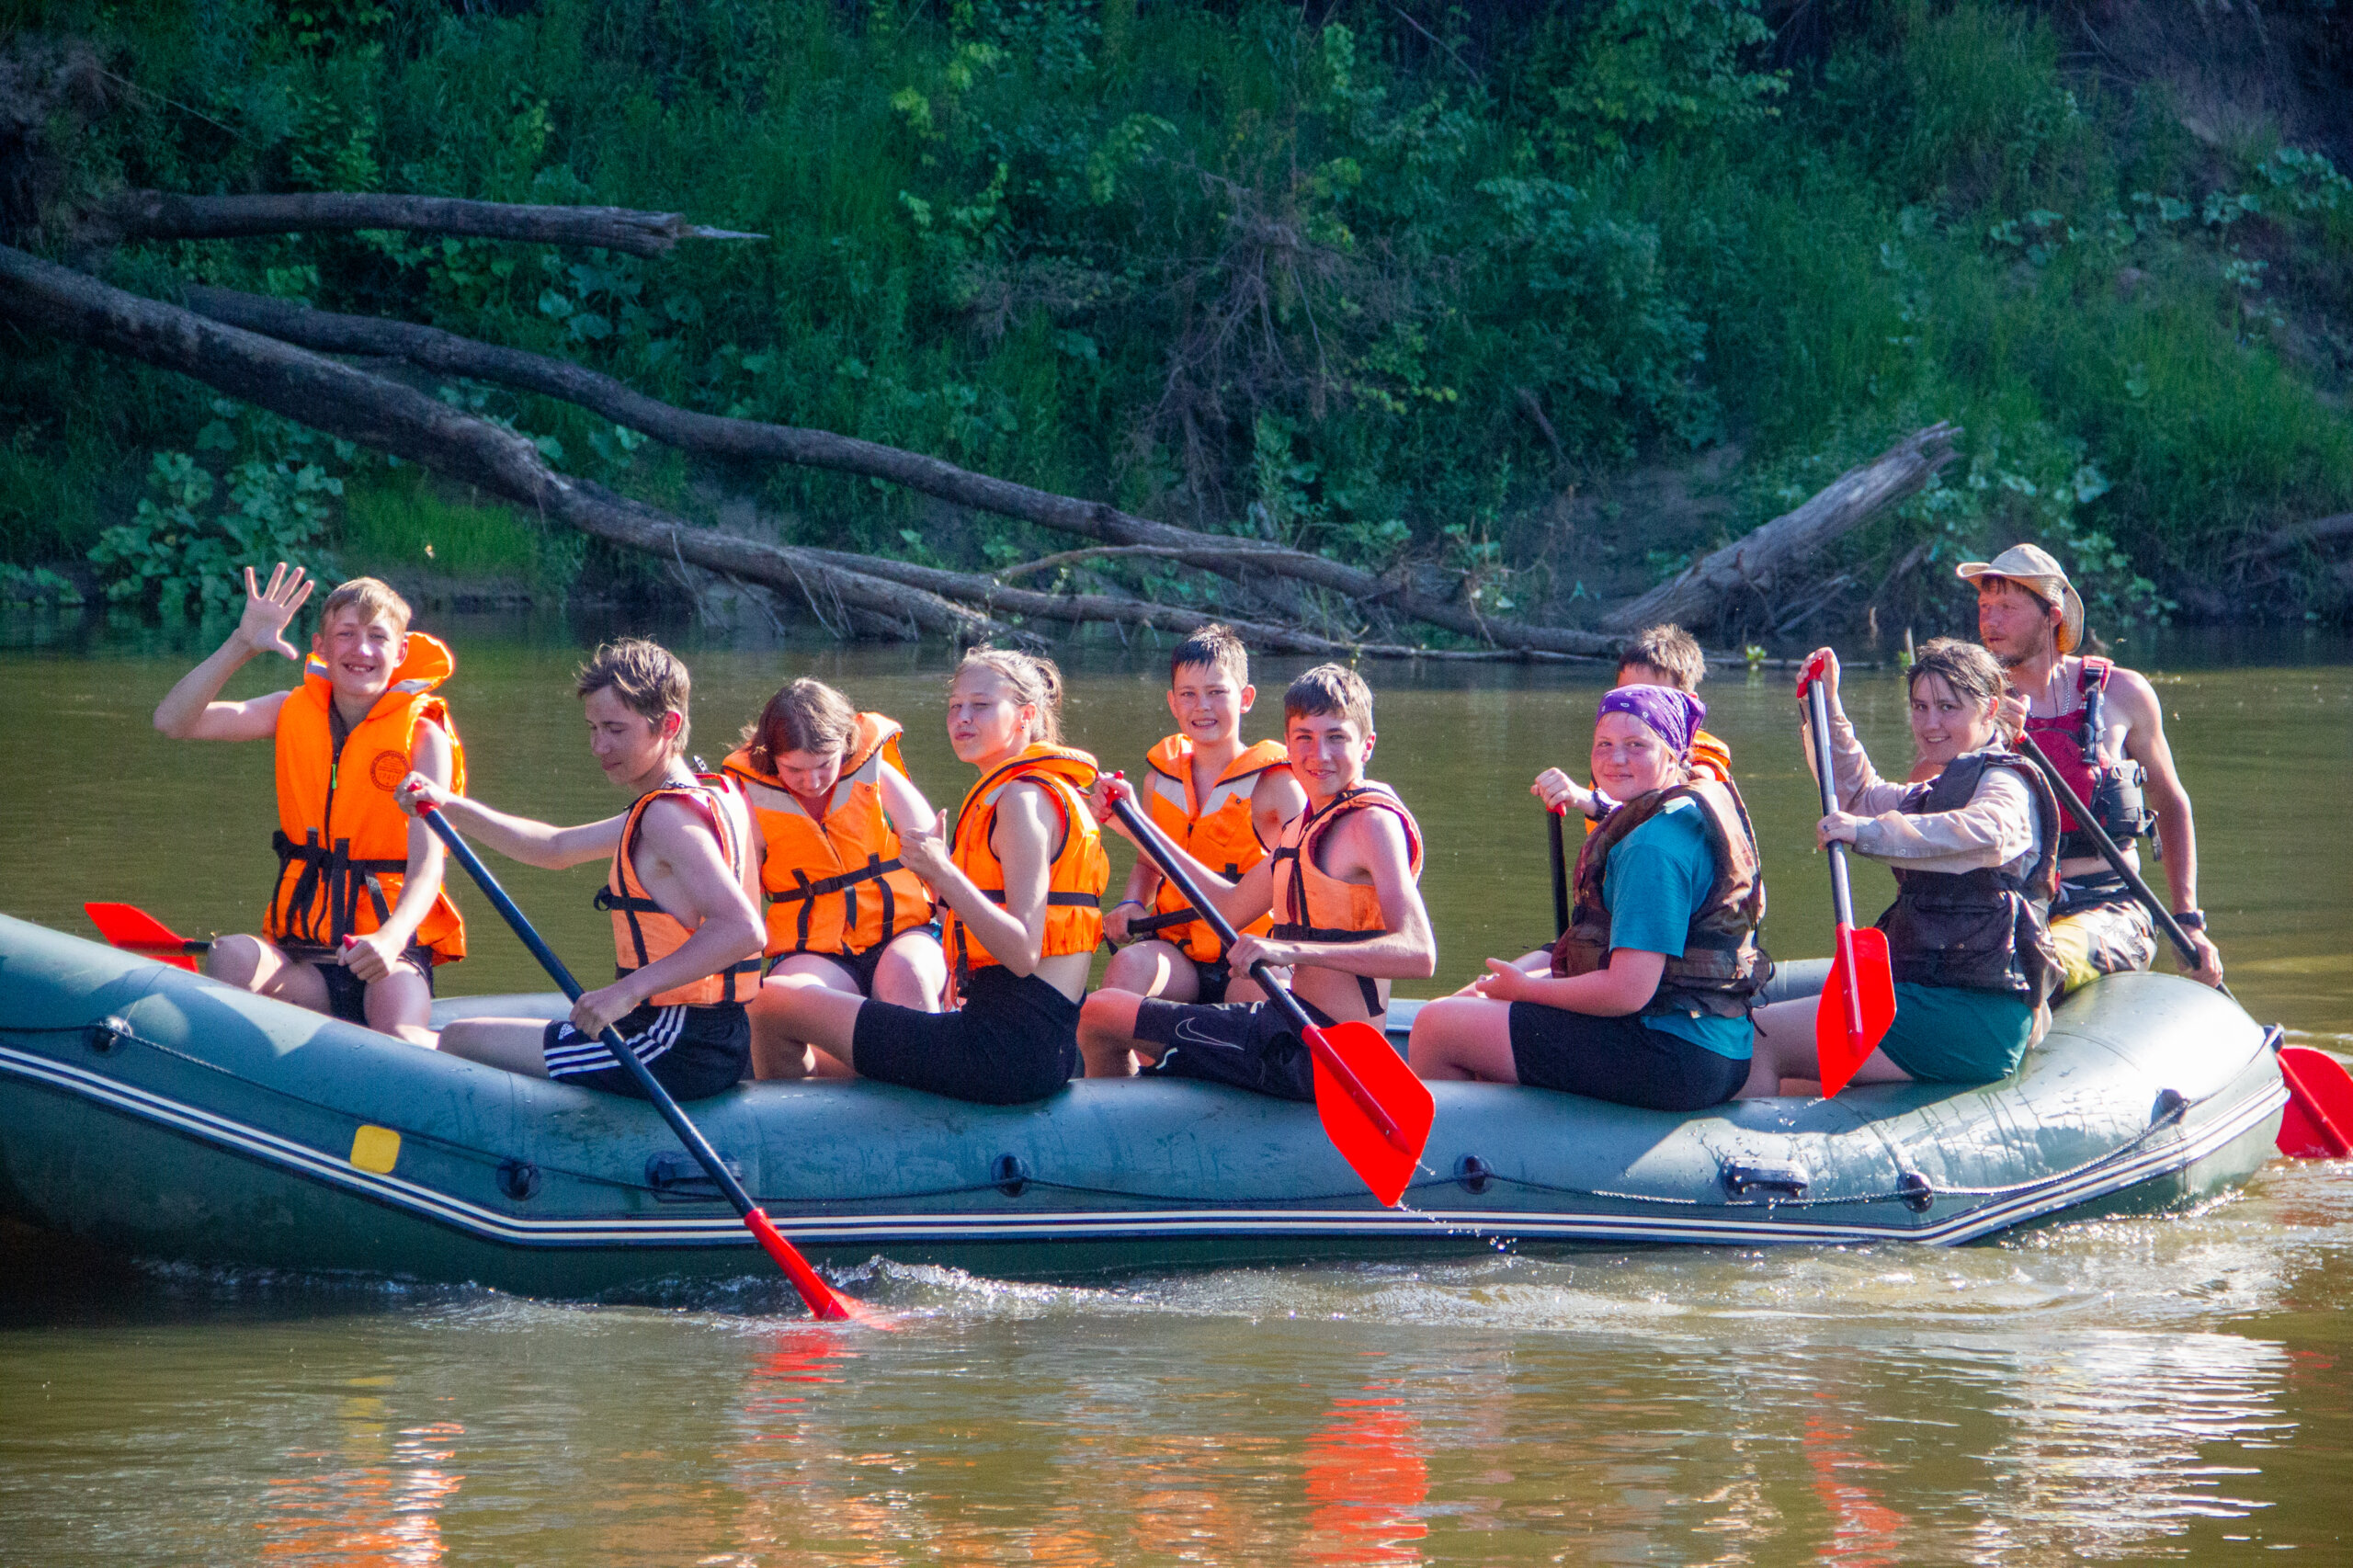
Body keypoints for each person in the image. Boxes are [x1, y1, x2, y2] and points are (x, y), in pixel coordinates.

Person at [395, 640, 766, 1101]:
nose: (598, 746)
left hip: (672, 1045)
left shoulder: (668, 817)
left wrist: (625, 992)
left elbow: (743, 930)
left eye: (614, 729)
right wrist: (448, 804)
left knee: (455, 1040)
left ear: (668, 725)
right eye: (592, 728)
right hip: (712, 1038)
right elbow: (556, 847)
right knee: (462, 1034)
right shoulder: (700, 795)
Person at [751, 649, 1107, 1106]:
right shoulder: (1036, 790)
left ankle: (795, 1153)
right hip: (1030, 1048)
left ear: (1026, 716)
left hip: (1000, 1055)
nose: (962, 718)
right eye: (955, 705)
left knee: (770, 1003)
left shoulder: (1022, 801)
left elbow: (1022, 952)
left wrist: (942, 872)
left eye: (980, 705)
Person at [1078, 664, 1436, 1099]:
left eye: (1336, 737)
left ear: (1367, 746)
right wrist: (1136, 827)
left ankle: (1119, 1145)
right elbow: (1226, 908)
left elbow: (1420, 954)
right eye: (1304, 737)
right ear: (1287, 744)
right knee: (1103, 1010)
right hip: (1284, 1032)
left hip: (1325, 1054)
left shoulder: (1372, 824)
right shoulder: (1300, 829)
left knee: (1098, 1017)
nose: (1318, 754)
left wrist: (1287, 949)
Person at [1409, 686, 1767, 1110]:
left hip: (1674, 1057)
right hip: (1718, 1045)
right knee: (1478, 1002)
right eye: (1605, 745)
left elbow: (1627, 991)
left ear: (1673, 753)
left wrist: (1525, 991)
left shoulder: (1652, 846)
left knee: (1436, 1027)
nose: (1616, 760)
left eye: (1636, 745)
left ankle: (1472, 1162)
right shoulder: (1685, 808)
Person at [151, 563, 464, 1046]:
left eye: (378, 637)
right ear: (320, 646)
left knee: (400, 1035)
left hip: (388, 955)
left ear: (400, 652)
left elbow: (427, 868)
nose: (361, 650)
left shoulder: (424, 738)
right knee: (230, 955)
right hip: (304, 957)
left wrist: (391, 938)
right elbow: (173, 721)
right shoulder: (289, 710)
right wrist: (241, 643)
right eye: (346, 634)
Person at [1738, 640, 2063, 1097]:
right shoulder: (1941, 786)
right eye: (1921, 707)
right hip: (1940, 998)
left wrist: (1867, 833)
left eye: (1948, 707)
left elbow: (1987, 835)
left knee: (1756, 1040)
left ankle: (1752, 1163)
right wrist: (1826, 705)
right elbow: (1856, 796)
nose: (1931, 723)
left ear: (1990, 709)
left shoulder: (2005, 780)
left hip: (1974, 1014)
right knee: (1791, 1072)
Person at [1963, 543, 2223, 990]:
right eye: (1985, 607)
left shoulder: (2125, 693)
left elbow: (2170, 801)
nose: (1990, 620)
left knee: (2031, 963)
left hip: (2112, 908)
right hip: (2009, 904)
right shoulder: (1969, 703)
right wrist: (1979, 736)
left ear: (2053, 615)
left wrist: (2188, 919)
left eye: (2006, 606)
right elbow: (1920, 800)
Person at [721, 679, 948, 1078]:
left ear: (846, 743)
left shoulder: (876, 773)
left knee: (906, 975)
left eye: (825, 763)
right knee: (778, 998)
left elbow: (942, 871)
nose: (812, 781)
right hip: (814, 950)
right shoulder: (748, 798)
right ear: (769, 756)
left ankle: (925, 1105)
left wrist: (970, 967)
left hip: (904, 933)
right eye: (794, 769)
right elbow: (743, 906)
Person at [1099, 624, 1306, 1017]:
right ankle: (1128, 1075)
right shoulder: (1159, 779)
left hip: (1250, 955)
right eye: (1188, 695)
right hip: (1178, 952)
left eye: (1216, 693)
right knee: (1127, 967)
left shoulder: (1278, 787)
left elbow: (1304, 883)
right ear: (1173, 703)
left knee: (1260, 996)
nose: (1202, 707)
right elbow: (1149, 863)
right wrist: (1131, 903)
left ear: (1245, 699)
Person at [1532, 624, 1733, 823]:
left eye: (1653, 697)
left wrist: (1589, 801)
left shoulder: (1702, 757)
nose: (1637, 706)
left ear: (1688, 705)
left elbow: (1674, 818)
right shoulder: (1612, 746)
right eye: (1628, 694)